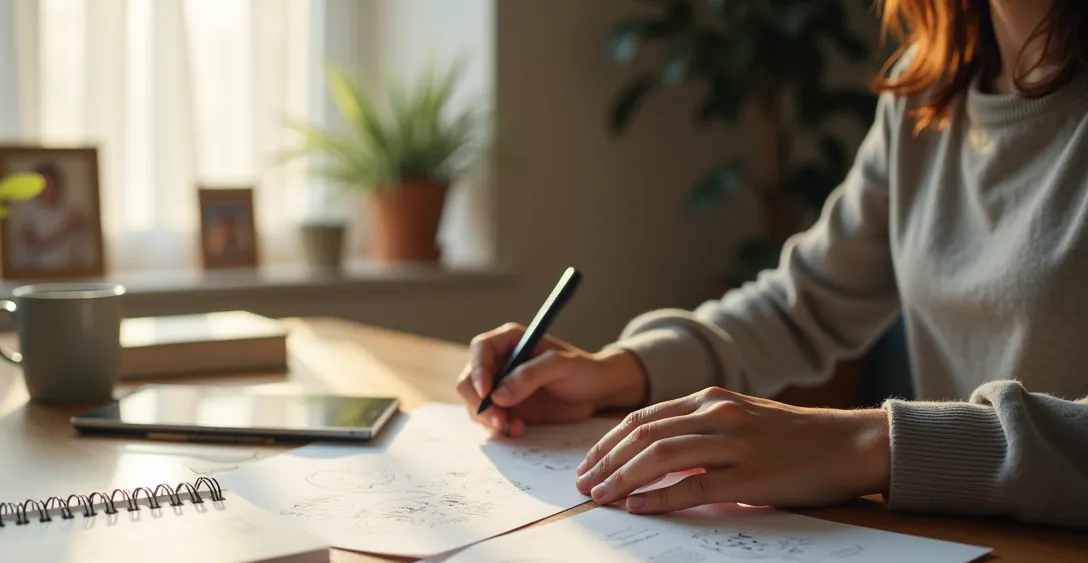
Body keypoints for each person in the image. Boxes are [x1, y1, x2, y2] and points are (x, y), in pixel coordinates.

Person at [457, 0, 1088, 531]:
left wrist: (871, 444)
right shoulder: (928, 91)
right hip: (975, 557)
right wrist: (619, 371)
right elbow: (802, 305)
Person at [14, 162, 93, 271]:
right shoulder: (29, 215)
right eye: (45, 186)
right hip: (40, 274)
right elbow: (37, 245)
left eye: (52, 185)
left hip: (71, 273)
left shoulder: (72, 211)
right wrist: (66, 227)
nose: (49, 190)